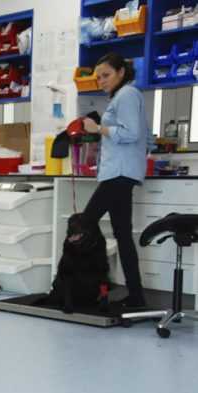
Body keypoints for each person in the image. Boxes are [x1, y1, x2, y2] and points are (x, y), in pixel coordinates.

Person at [82, 52, 152, 308]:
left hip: (120, 173)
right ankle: (93, 285)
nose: (101, 80)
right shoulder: (122, 97)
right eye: (98, 77)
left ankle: (136, 296)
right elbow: (145, 135)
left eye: (106, 75)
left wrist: (98, 128)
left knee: (118, 233)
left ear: (121, 72)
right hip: (116, 172)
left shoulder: (127, 95)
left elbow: (132, 133)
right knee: (86, 224)